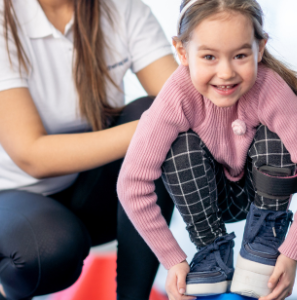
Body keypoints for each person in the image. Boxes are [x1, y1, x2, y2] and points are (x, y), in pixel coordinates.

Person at [118, 0, 297, 300]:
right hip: (204, 200)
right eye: (210, 56)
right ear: (182, 52)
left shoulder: (270, 90)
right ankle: (211, 249)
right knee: (178, 143)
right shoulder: (176, 95)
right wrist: (172, 259)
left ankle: (262, 245)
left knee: (274, 134)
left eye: (240, 55)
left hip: (261, 196)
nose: (225, 73)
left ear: (260, 49)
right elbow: (132, 184)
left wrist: (290, 254)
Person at [0, 0, 178, 299]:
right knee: (49, 251)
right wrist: (152, 129)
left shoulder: (123, 9)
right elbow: (32, 155)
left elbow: (186, 103)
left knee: (153, 111)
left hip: (90, 194)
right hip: (12, 196)